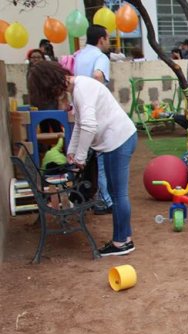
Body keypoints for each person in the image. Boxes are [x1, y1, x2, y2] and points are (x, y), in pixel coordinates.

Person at [27, 61, 138, 256]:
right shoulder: (78, 88)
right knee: (115, 192)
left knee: (118, 194)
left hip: (119, 140)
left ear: (52, 85)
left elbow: (88, 126)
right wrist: (72, 151)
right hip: (115, 141)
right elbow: (79, 125)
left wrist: (80, 158)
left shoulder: (82, 90)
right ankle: (124, 238)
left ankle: (122, 242)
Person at [75, 24, 114, 216]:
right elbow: (98, 75)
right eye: (108, 38)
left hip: (81, 113)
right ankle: (105, 200)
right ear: (101, 39)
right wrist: (96, 94)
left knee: (88, 160)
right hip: (95, 114)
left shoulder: (79, 56)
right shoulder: (100, 57)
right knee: (101, 159)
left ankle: (90, 196)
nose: (109, 42)